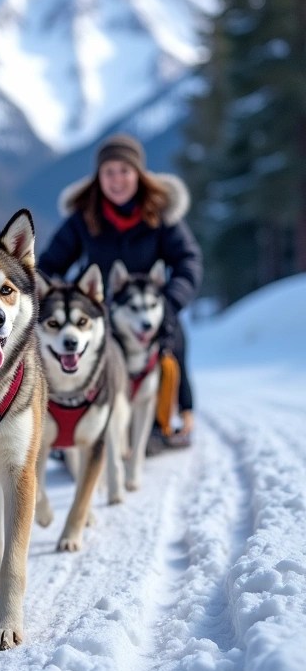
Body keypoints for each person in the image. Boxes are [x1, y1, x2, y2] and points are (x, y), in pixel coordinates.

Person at [37, 132, 202, 448]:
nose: (117, 180)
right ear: (98, 177)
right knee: (72, 353)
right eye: (109, 172)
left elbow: (187, 259)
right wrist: (53, 300)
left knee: (173, 340)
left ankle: (173, 416)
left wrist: (172, 300)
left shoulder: (160, 213)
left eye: (124, 171)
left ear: (138, 175)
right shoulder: (83, 218)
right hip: (99, 312)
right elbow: (49, 263)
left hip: (150, 305)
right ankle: (67, 425)